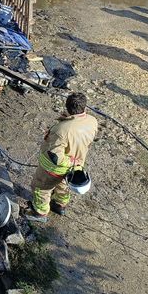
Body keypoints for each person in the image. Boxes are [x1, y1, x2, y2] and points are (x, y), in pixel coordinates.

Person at [25, 93, 98, 222]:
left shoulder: (61, 130)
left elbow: (55, 156)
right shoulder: (92, 121)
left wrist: (69, 160)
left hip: (54, 169)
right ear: (84, 108)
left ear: (67, 107)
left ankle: (40, 212)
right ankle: (59, 205)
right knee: (64, 186)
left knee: (41, 188)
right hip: (77, 166)